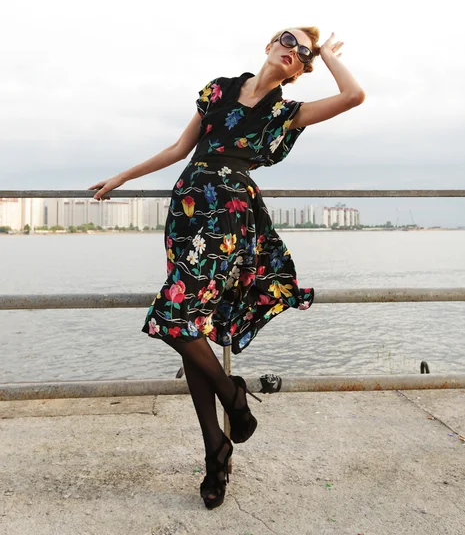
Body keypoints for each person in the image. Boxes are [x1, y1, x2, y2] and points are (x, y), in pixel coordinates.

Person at [88, 27, 365, 509]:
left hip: (230, 216)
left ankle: (232, 403)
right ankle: (217, 447)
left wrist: (323, 53)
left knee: (175, 318)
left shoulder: (287, 112)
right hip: (188, 208)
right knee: (188, 326)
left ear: (300, 70)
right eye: (288, 39)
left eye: (302, 52)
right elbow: (179, 149)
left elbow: (354, 95)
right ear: (268, 44)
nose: (292, 50)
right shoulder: (217, 89)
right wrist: (121, 176)